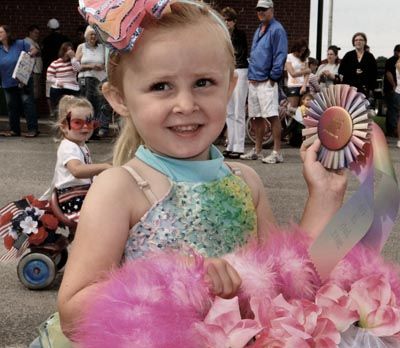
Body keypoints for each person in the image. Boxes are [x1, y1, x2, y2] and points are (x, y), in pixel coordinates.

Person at [28, 1, 345, 345]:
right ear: (119, 98)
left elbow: (291, 283)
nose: (185, 104)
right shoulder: (121, 188)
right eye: (161, 86)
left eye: (204, 82)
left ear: (228, 88)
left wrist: (325, 196)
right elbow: (74, 313)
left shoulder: (245, 183)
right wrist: (181, 281)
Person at [240, 0, 288, 164]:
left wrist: (273, 76)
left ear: (271, 10)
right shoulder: (259, 29)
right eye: (258, 10)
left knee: (272, 115)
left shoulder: (277, 29)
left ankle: (277, 152)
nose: (260, 12)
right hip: (254, 79)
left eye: (264, 9)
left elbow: (280, 54)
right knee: (255, 116)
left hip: (267, 80)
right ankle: (257, 150)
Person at [50, 95, 111, 221]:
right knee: (108, 216)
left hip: (81, 194)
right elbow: (77, 170)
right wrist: (104, 167)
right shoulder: (68, 147)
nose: (85, 127)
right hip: (72, 198)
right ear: (64, 126)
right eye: (78, 122)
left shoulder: (81, 145)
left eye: (89, 122)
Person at [0, 24, 39, 137]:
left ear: (7, 33)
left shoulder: (20, 43)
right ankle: (14, 130)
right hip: (7, 81)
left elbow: (34, 50)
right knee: (12, 107)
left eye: (1, 32)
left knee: (28, 104)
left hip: (23, 80)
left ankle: (33, 129)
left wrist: (30, 54)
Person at [220, 7, 248, 159]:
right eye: (224, 19)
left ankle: (239, 146)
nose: (226, 22)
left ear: (234, 21)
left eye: (229, 20)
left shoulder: (239, 34)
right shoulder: (222, 35)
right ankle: (231, 143)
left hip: (240, 70)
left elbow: (239, 53)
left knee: (238, 111)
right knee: (229, 111)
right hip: (227, 72)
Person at [76, 26, 108, 139]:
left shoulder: (102, 47)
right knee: (87, 105)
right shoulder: (81, 47)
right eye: (91, 34)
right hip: (86, 79)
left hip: (99, 79)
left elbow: (106, 63)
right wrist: (91, 66)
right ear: (86, 36)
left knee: (98, 106)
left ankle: (94, 131)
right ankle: (85, 131)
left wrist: (102, 67)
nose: (93, 37)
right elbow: (76, 66)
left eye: (95, 34)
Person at [42, 18, 70, 118]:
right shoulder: (65, 39)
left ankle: (52, 112)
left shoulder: (46, 40)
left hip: (51, 69)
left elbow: (44, 56)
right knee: (65, 91)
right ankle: (64, 111)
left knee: (49, 92)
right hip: (65, 69)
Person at [338, 32, 377, 98]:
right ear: (353, 42)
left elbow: (374, 74)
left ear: (365, 42)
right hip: (349, 88)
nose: (358, 42)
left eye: (361, 40)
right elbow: (341, 70)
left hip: (364, 89)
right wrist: (354, 72)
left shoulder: (370, 56)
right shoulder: (348, 55)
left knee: (363, 107)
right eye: (356, 40)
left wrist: (371, 89)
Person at [46, 42, 81, 114]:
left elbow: (78, 69)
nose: (68, 53)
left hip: (72, 88)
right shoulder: (55, 63)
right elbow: (49, 77)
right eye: (66, 51)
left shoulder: (73, 62)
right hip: (59, 88)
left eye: (70, 51)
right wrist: (57, 82)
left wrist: (73, 58)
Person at [284, 38, 311, 108]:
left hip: (304, 86)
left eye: (304, 50)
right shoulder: (288, 57)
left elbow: (307, 74)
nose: (302, 52)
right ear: (296, 48)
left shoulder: (305, 58)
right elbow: (292, 73)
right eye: (301, 50)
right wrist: (306, 70)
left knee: (305, 110)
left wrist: (304, 86)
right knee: (293, 110)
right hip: (293, 86)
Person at [384, 44, 400, 137]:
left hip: (394, 89)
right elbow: (388, 74)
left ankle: (392, 130)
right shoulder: (391, 61)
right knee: (393, 110)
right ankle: (393, 130)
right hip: (392, 89)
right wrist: (394, 86)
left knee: (393, 110)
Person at [24, 25, 43, 101]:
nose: (37, 35)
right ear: (30, 32)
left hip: (37, 70)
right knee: (34, 88)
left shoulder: (35, 42)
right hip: (33, 70)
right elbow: (35, 52)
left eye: (38, 33)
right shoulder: (27, 41)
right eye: (35, 33)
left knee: (37, 88)